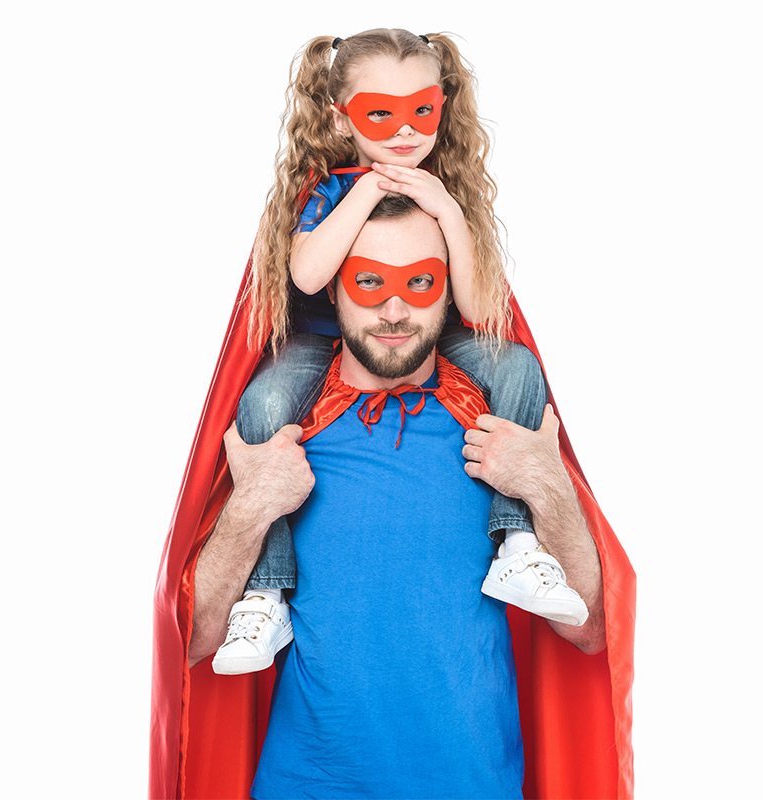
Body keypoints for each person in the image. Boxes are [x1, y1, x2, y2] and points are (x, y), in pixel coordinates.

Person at [189, 197, 606, 798]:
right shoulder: (280, 431)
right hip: (307, 783)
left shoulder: (499, 428)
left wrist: (545, 483)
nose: (393, 309)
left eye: (419, 282)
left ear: (452, 288)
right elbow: (199, 641)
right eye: (367, 281)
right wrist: (252, 503)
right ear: (332, 289)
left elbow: (590, 631)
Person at [215, 28, 586, 677]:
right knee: (264, 401)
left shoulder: (442, 189)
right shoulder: (329, 189)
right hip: (323, 342)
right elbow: (306, 277)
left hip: (431, 333)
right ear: (340, 116)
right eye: (380, 113)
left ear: (443, 104)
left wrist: (443, 209)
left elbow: (475, 309)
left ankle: (517, 541)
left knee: (517, 367)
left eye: (423, 111)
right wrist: (364, 187)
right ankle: (267, 589)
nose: (406, 131)